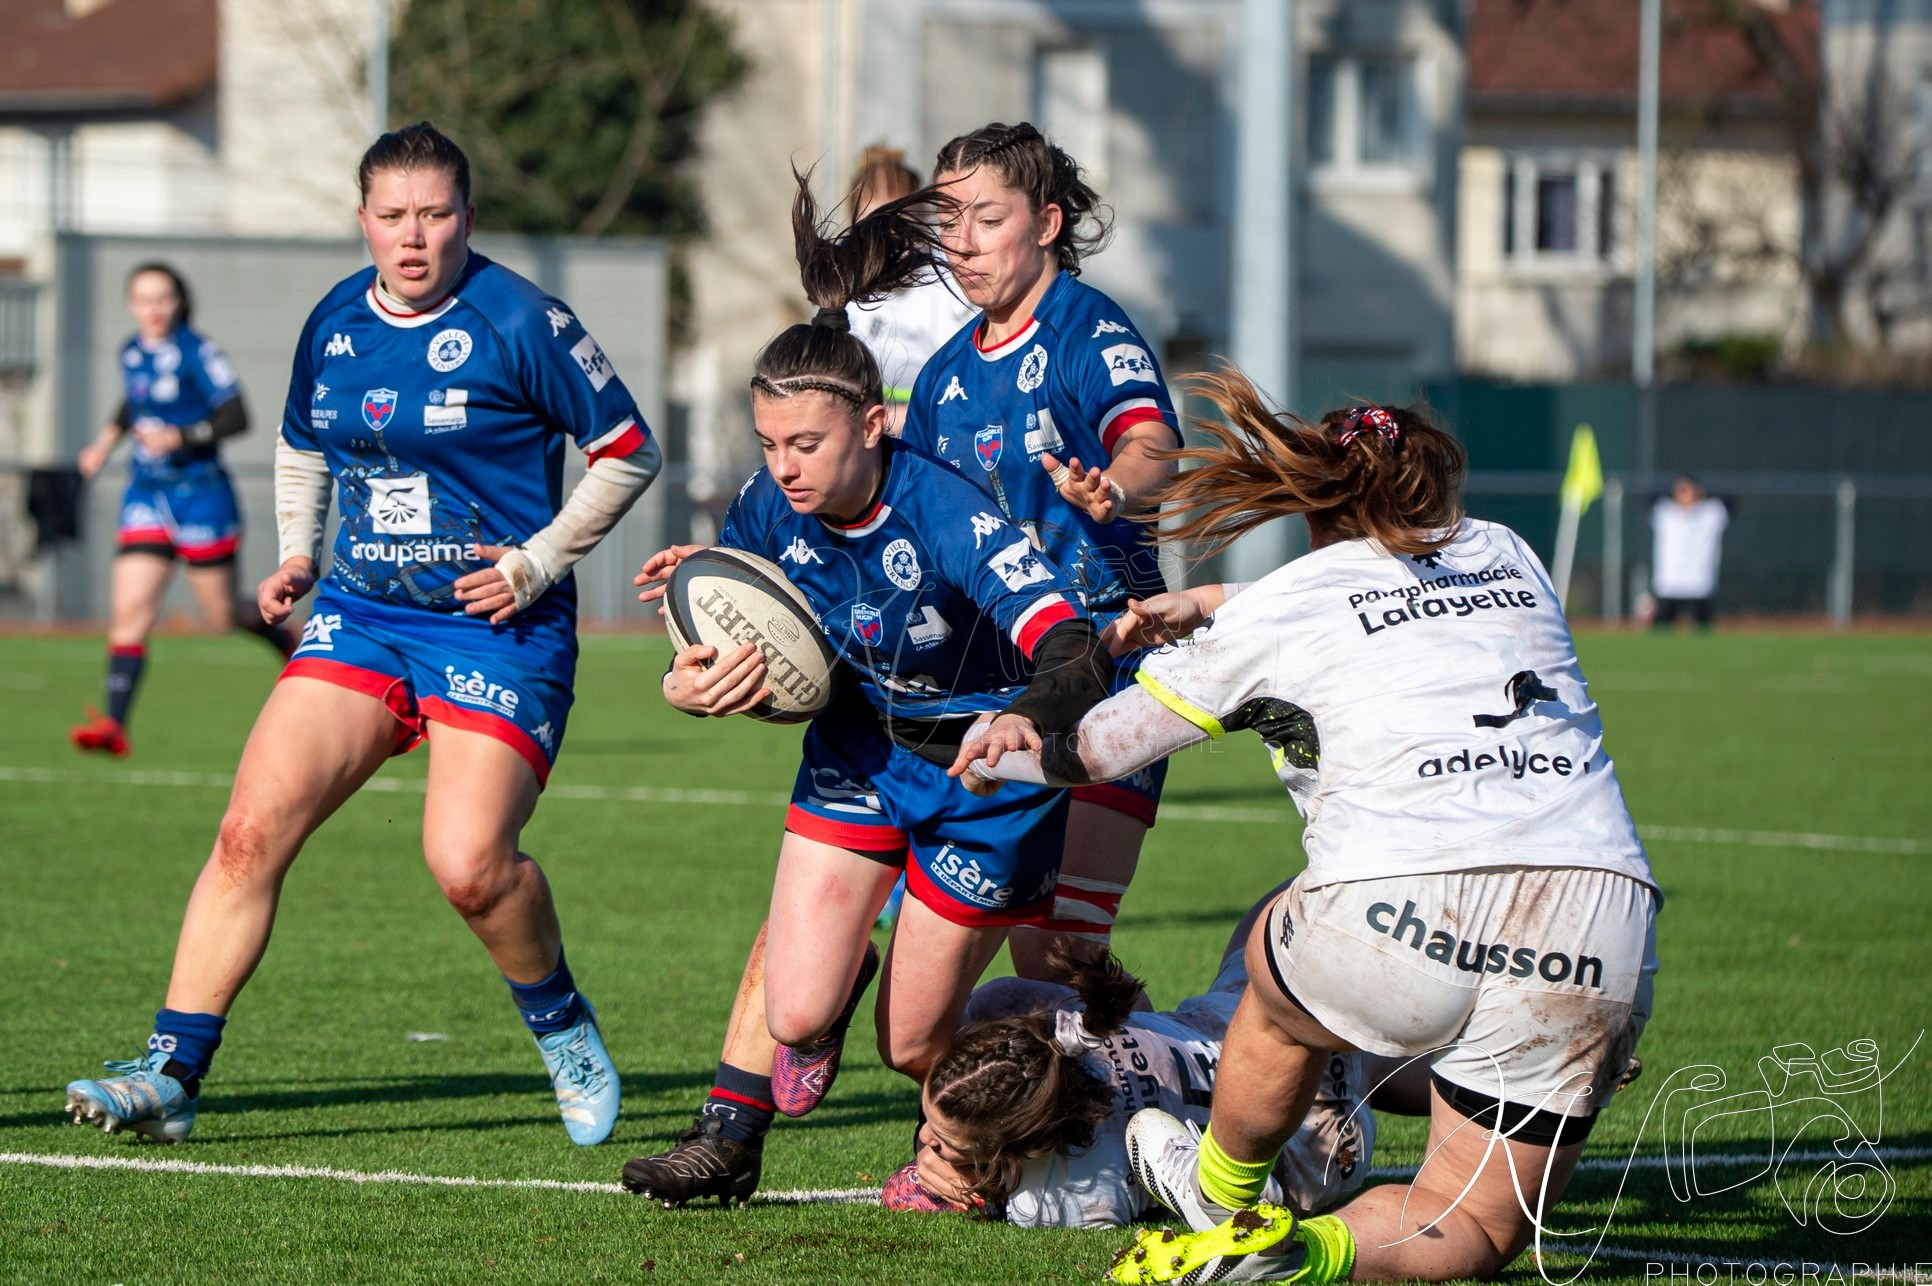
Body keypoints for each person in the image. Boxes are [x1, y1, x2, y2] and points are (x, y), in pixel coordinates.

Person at [958, 380, 1660, 1283]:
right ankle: (1300, 1261)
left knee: (1279, 976)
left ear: (1310, 499)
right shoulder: (1512, 553)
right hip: (1598, 913)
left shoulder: (1280, 608)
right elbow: (1402, 596)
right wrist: (1216, 601)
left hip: (1394, 899)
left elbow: (1096, 753)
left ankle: (1220, 1201)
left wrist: (997, 754)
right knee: (1474, 1225)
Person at [63, 122, 662, 1148]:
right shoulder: (336, 316)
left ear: (467, 217)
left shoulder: (523, 318)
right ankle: (173, 1070)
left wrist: (536, 562)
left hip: (492, 628)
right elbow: (303, 442)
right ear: (364, 221)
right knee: (250, 830)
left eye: (435, 214)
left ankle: (562, 1025)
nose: (414, 236)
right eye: (393, 216)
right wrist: (299, 551)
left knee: (470, 864)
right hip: (363, 615)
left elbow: (628, 451)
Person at [619, 170, 1115, 1208]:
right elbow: (743, 645)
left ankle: (1048, 1119)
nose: (785, 468)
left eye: (807, 444)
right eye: (768, 444)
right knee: (796, 1013)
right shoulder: (769, 505)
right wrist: (690, 683)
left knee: (913, 1042)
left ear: (875, 425)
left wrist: (1022, 712)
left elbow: (1074, 645)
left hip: (987, 785)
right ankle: (781, 1056)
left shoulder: (947, 513)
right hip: (855, 754)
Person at [902, 121, 1182, 984]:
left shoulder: (1086, 330)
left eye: (987, 218)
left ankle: (1141, 1100)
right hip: (994, 680)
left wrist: (1117, 489)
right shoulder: (943, 374)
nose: (962, 243)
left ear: (1047, 223)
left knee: (1063, 953)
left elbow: (1152, 443)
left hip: (1111, 660)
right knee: (964, 996)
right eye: (948, 220)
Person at [892, 881, 1411, 1230]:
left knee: (1319, 921)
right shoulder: (1029, 1017)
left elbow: (1031, 1192)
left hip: (1310, 1149)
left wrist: (983, 1190)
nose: (926, 1138)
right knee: (1315, 899)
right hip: (1248, 1047)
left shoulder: (1058, 1196)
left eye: (942, 1138)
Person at [70, 262, 294, 757]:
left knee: (220, 614)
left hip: (202, 493)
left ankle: (285, 641)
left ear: (179, 302)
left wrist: (180, 436)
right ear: (131, 304)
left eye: (163, 299)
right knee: (129, 610)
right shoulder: (130, 350)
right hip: (147, 493)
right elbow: (131, 403)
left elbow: (237, 415)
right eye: (144, 299)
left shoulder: (198, 351)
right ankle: (113, 723)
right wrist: (104, 444)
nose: (153, 309)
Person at [843, 144, 977, 438]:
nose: (889, 234)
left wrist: (891, 420)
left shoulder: (951, 284)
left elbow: (969, 388)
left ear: (921, 219)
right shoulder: (841, 288)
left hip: (931, 442)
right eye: (875, 222)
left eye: (900, 220)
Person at [1648, 473, 1727, 630]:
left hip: (1699, 583)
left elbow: (1731, 500)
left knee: (1705, 631)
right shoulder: (1665, 512)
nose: (1684, 494)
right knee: (1659, 632)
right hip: (1669, 582)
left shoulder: (1711, 512)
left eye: (1688, 489)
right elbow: (1648, 496)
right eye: (1680, 490)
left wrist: (1701, 493)